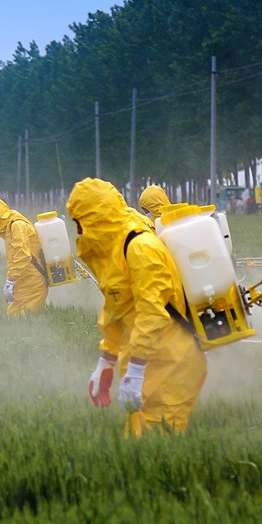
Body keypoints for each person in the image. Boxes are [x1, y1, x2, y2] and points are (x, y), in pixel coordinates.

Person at [67, 178, 207, 436]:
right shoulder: (115, 251)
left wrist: (136, 368)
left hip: (170, 364)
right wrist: (106, 361)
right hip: (151, 362)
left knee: (156, 451)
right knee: (138, 444)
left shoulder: (140, 248)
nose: (77, 231)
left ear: (96, 218)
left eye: (79, 222)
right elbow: (118, 309)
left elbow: (153, 313)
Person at [0, 196, 48, 316]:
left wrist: (10, 281)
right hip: (25, 280)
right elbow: (14, 261)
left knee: (24, 319)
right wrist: (11, 283)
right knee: (15, 317)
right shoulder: (9, 229)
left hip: (33, 282)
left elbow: (22, 256)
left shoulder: (17, 226)